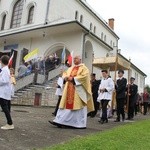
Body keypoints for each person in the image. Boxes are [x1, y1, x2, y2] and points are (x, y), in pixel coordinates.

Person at [49, 55, 94, 128]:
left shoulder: (84, 68)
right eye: (74, 59)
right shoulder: (70, 68)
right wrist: (65, 77)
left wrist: (73, 79)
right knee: (65, 106)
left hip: (78, 90)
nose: (74, 60)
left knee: (77, 106)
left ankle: (77, 124)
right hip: (69, 89)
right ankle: (59, 121)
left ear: (80, 59)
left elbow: (85, 77)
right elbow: (65, 74)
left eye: (76, 58)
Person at [0, 55, 14, 130]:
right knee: (5, 108)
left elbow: (4, 81)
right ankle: (9, 123)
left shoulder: (5, 70)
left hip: (3, 92)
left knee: (5, 108)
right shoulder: (5, 69)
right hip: (3, 92)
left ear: (1, 61)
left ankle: (10, 123)